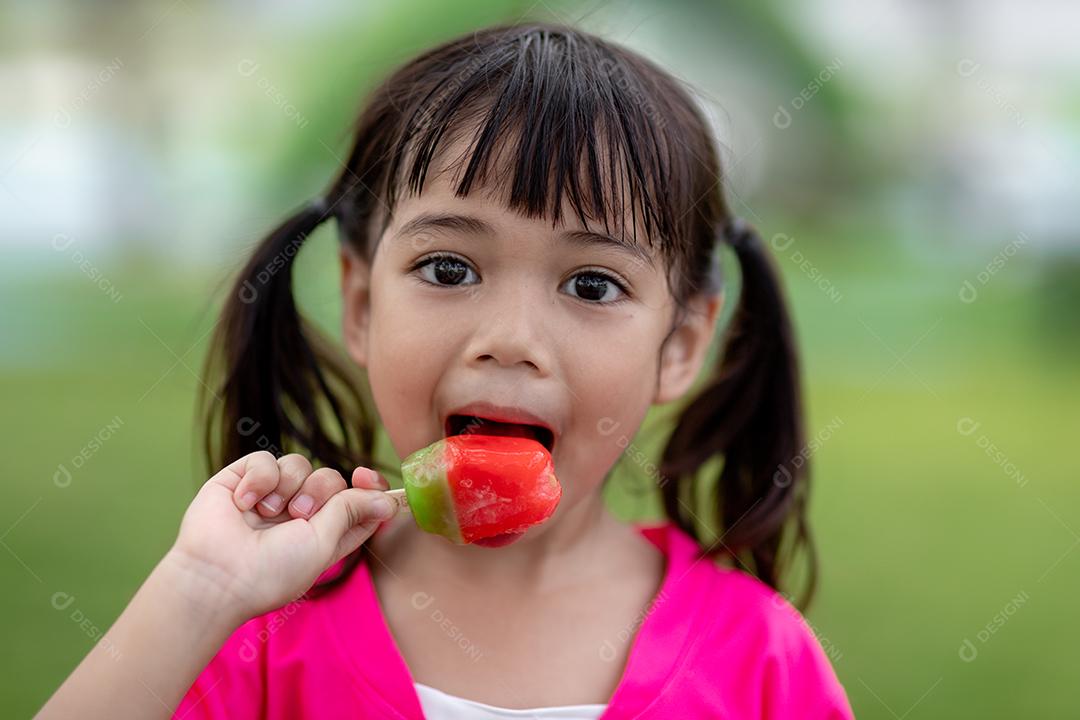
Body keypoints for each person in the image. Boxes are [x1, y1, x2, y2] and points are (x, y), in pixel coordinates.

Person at [37, 21, 854, 719]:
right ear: (360, 304)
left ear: (679, 346)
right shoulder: (254, 629)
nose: (510, 339)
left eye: (592, 284)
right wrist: (201, 591)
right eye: (450, 268)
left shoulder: (761, 660)